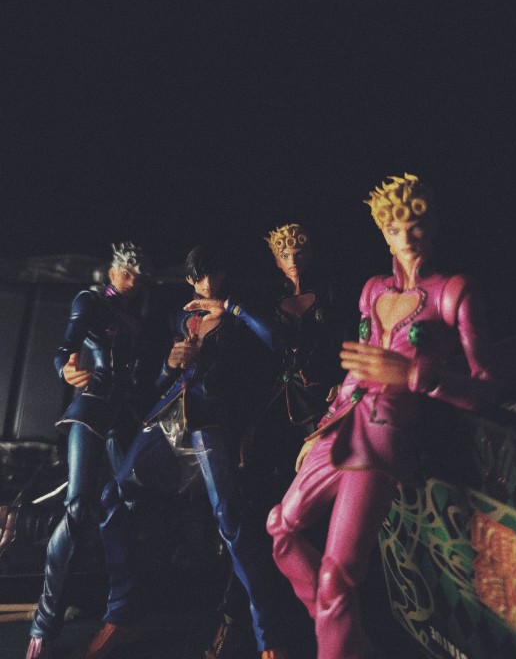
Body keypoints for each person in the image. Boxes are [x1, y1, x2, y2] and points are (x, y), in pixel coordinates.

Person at [264, 174, 498, 659]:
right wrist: (323, 427)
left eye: (416, 225)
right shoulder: (373, 290)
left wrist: (413, 374)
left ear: (433, 226)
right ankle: (341, 632)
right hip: (343, 427)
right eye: (395, 228)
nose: (406, 237)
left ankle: (338, 639)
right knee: (280, 528)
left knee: (337, 577)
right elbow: (358, 370)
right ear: (384, 234)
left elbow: (485, 389)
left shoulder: (453, 292)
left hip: (386, 436)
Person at [78, 245, 290, 659]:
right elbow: (160, 378)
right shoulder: (180, 318)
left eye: (214, 273)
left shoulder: (237, 317)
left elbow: (276, 342)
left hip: (213, 419)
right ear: (189, 279)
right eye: (199, 276)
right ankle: (121, 613)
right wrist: (170, 364)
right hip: (169, 414)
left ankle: (269, 634)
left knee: (229, 517)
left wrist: (231, 307)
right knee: (112, 495)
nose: (207, 283)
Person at [184, 224, 348, 659]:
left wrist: (341, 382)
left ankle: (322, 622)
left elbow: (346, 343)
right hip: (270, 413)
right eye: (285, 253)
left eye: (300, 251)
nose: (293, 260)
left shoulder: (331, 295)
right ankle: (236, 618)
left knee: (317, 519)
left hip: (319, 412)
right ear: (275, 259)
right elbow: (254, 351)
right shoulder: (261, 296)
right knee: (254, 518)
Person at [20, 242, 153, 659]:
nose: (131, 283)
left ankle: (120, 613)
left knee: (125, 505)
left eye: (138, 277)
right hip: (91, 410)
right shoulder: (90, 301)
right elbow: (66, 347)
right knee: (78, 507)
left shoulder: (135, 318)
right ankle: (44, 623)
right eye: (126, 274)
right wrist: (66, 368)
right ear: (112, 272)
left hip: (123, 416)